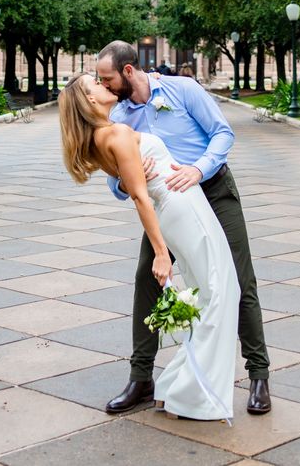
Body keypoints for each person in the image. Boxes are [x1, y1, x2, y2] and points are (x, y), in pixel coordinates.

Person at [96, 40, 271, 416]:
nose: (104, 85)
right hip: (169, 207)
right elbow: (115, 186)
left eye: (107, 78)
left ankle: (259, 374)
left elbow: (223, 133)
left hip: (213, 190)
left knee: (239, 279)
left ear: (128, 71)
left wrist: (198, 169)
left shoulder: (183, 89)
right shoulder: (119, 119)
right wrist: (127, 182)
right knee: (147, 277)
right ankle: (141, 378)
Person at [59, 72, 240, 422]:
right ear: (89, 101)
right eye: (95, 84)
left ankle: (176, 386)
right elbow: (139, 198)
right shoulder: (118, 134)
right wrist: (160, 253)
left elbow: (135, 183)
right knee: (220, 292)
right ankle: (192, 395)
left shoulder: (103, 136)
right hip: (181, 207)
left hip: (175, 206)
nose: (103, 85)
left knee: (211, 292)